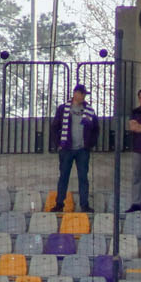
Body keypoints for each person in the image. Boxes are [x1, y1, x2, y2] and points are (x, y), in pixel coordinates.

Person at [50, 83, 98, 213]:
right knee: (63, 177)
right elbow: (55, 127)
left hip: (83, 149)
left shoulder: (89, 110)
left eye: (84, 94)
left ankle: (84, 205)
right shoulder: (63, 108)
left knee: (83, 177)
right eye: (82, 94)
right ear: (75, 93)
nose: (83, 96)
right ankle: (59, 204)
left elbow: (95, 128)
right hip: (66, 149)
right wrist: (58, 144)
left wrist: (90, 144)